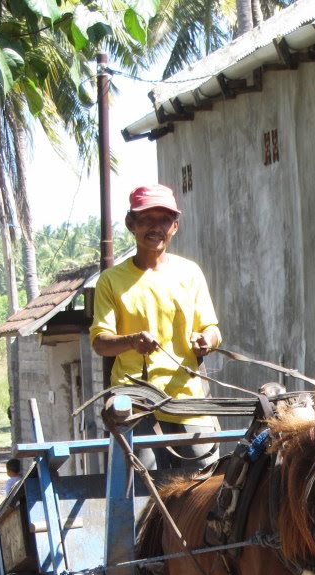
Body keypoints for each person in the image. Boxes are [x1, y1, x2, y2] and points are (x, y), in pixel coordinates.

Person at [91, 184, 222, 471]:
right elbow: (101, 342)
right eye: (146, 219)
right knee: (144, 484)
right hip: (135, 402)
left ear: (174, 226)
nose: (155, 227)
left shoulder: (189, 273)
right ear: (131, 224)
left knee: (208, 482)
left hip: (187, 398)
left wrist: (205, 340)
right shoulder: (111, 280)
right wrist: (132, 340)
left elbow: (211, 328)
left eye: (163, 219)